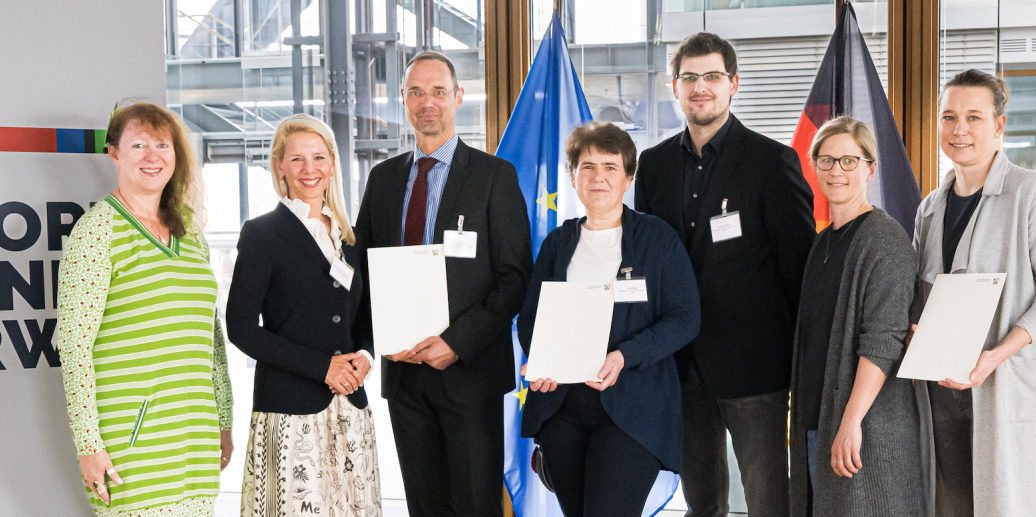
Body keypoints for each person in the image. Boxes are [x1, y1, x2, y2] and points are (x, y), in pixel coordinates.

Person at [633, 32, 816, 517]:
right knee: (702, 502)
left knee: (768, 499)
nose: (700, 88)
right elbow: (649, 269)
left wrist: (805, 363)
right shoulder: (651, 167)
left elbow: (799, 272)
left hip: (755, 366)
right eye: (689, 78)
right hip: (681, 365)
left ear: (733, 84)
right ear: (674, 87)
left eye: (712, 76)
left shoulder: (772, 162)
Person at [351, 51, 533, 517]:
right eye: (415, 92)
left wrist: (456, 342)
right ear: (404, 101)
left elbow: (515, 280)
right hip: (404, 376)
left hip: (469, 375)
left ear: (458, 98)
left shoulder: (495, 177)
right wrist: (376, 341)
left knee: (475, 506)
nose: (426, 102)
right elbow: (363, 274)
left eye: (437, 92)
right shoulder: (383, 179)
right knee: (424, 507)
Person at [913, 69, 1036, 516]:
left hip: (1007, 382)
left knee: (1009, 501)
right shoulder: (930, 208)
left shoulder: (1032, 193)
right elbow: (924, 296)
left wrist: (994, 355)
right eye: (949, 117)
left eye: (973, 117)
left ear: (999, 125)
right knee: (950, 500)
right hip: (943, 387)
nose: (959, 129)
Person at [57, 102, 233, 516]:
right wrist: (88, 446)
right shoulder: (97, 232)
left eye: (162, 144)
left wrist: (222, 419)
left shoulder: (189, 233)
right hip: (132, 446)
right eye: (138, 145)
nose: (152, 156)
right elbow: (74, 347)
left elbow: (212, 337)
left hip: (194, 437)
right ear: (115, 154)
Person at [518, 122, 701, 516]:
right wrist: (543, 360)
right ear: (573, 178)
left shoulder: (658, 238)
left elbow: (685, 317)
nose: (598, 177)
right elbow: (530, 318)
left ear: (628, 177)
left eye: (610, 167)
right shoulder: (557, 243)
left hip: (634, 407)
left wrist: (624, 355)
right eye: (587, 167)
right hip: (562, 408)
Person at [226, 114, 381, 516]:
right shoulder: (261, 235)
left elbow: (368, 318)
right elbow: (241, 328)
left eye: (318, 157)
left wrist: (364, 357)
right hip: (289, 410)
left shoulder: (352, 236)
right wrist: (321, 367)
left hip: (350, 406)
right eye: (296, 159)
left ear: (332, 163)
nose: (309, 169)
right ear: (279, 166)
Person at [787, 116, 930, 516]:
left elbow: (883, 342)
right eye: (827, 160)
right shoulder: (821, 244)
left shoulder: (883, 238)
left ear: (870, 168)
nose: (837, 171)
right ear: (813, 166)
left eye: (850, 161)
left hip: (867, 428)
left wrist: (850, 424)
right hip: (819, 419)